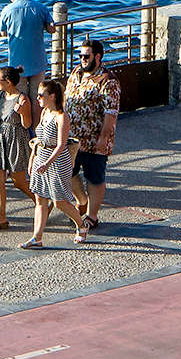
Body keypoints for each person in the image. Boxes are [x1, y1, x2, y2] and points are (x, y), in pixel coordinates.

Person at [23, 80, 89, 249]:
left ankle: (81, 225)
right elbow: (38, 140)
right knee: (40, 198)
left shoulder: (62, 116)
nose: (38, 98)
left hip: (57, 161)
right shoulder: (44, 112)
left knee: (59, 201)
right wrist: (33, 159)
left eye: (41, 95)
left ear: (52, 96)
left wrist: (47, 163)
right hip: (41, 156)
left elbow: (61, 145)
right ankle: (36, 237)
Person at [65, 39, 121, 230]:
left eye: (86, 56)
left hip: (94, 140)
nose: (82, 59)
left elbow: (111, 113)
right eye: (80, 56)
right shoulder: (76, 73)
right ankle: (82, 201)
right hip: (72, 138)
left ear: (97, 57)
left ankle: (92, 215)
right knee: (68, 172)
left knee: (94, 177)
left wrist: (103, 138)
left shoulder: (108, 80)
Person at [0, 66, 38, 231]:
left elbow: (27, 124)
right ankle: (1, 218)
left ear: (8, 82)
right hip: (1, 137)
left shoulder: (23, 99)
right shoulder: (1, 96)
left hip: (16, 138)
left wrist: (22, 113)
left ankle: (41, 201)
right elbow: (1, 116)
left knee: (19, 181)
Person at [0, 0, 51, 98]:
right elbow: (51, 28)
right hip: (38, 60)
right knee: (39, 98)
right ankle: (38, 117)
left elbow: (2, 32)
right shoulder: (40, 8)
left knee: (20, 98)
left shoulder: (7, 11)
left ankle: (25, 118)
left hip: (17, 62)